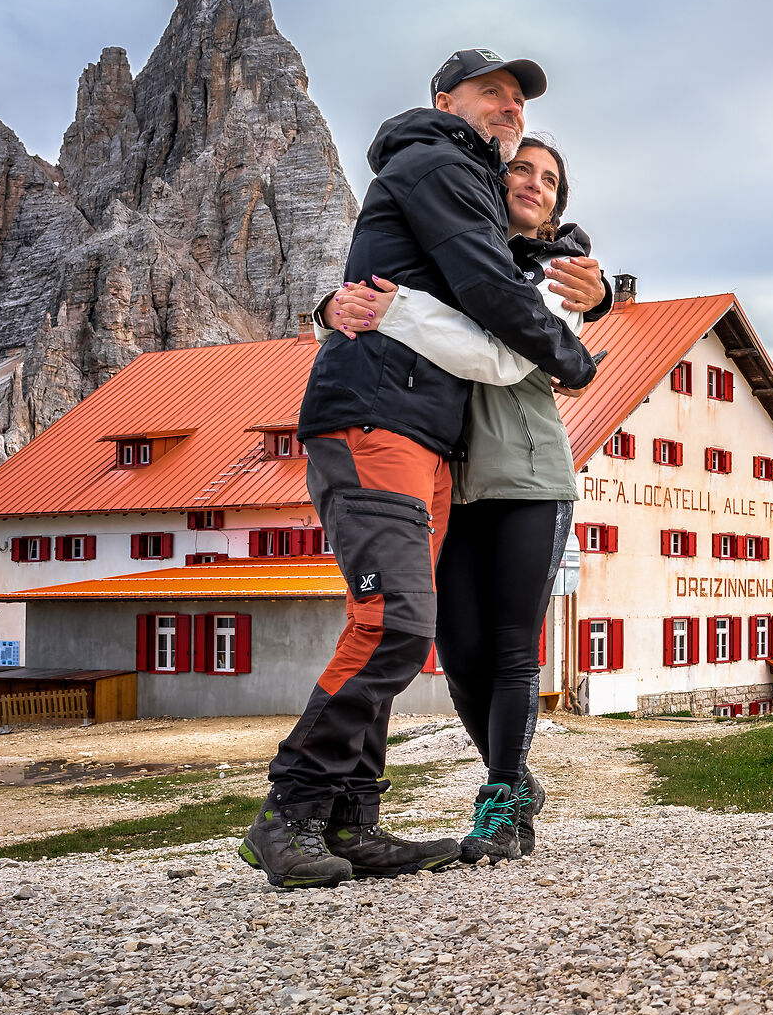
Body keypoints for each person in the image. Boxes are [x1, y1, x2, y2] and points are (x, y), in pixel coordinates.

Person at [239, 50, 603, 891]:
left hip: (428, 431)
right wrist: (576, 359)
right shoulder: (439, 160)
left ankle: (351, 820)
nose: (508, 107)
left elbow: (513, 272)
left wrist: (595, 298)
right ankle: (291, 810)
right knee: (401, 624)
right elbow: (485, 285)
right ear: (446, 100)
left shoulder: (474, 187)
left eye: (517, 99)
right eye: (492, 93)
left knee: (402, 624)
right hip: (379, 414)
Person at [323, 136, 592, 867]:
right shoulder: (458, 257)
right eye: (521, 170)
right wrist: (338, 306)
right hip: (448, 474)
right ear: (490, 182)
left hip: (524, 475)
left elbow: (503, 355)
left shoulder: (560, 277)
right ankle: (516, 778)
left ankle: (503, 800)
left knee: (508, 648)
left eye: (550, 180)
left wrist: (394, 310)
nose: (533, 184)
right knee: (456, 649)